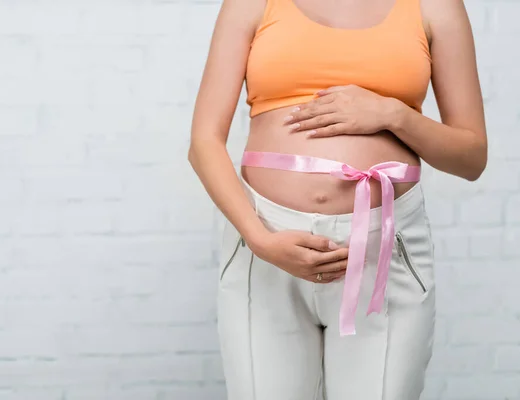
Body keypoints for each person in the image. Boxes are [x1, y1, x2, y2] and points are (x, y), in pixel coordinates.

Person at [187, 0, 486, 398]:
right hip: (265, 244)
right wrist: (259, 239)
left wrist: (392, 114)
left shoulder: (436, 6)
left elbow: (471, 157)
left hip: (384, 250)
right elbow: (203, 142)